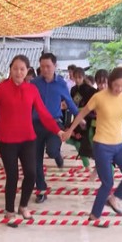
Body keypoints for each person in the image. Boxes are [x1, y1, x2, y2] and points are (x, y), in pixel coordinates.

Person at [0, 55, 64, 220]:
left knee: (31, 174)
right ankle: (9, 210)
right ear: (10, 69)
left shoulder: (32, 90)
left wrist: (58, 131)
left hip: (28, 139)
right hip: (7, 141)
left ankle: (23, 205)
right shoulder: (1, 89)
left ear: (27, 71)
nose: (18, 72)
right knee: (12, 176)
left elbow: (43, 114)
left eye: (22, 69)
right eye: (15, 68)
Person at [63, 67, 122, 221]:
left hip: (119, 145)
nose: (119, 89)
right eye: (116, 85)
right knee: (107, 182)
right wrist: (70, 129)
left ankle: (114, 199)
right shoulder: (99, 97)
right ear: (110, 82)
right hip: (102, 145)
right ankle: (95, 215)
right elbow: (82, 113)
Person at [31, 53, 78, 204]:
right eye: (42, 66)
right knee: (35, 159)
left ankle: (57, 156)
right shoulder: (34, 83)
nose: (45, 69)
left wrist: (80, 118)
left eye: (48, 66)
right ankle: (41, 190)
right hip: (36, 124)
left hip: (55, 124)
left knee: (51, 150)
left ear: (55, 66)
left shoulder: (61, 84)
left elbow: (70, 103)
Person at [68, 67, 97, 170]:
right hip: (77, 116)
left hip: (88, 117)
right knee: (72, 139)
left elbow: (94, 105)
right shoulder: (73, 89)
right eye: (75, 78)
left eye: (79, 77)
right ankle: (86, 163)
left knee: (88, 141)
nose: (77, 80)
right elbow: (72, 104)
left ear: (83, 77)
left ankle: (95, 161)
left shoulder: (91, 90)